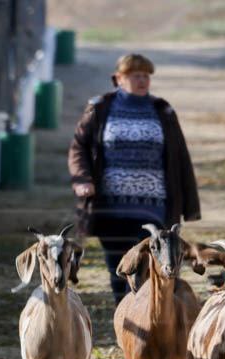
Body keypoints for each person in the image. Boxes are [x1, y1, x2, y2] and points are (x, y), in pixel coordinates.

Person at [68, 53, 201, 304]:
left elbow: (179, 157)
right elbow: (79, 147)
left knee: (149, 267)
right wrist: (82, 179)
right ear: (119, 78)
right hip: (110, 208)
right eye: (134, 76)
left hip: (153, 209)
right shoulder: (101, 108)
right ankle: (126, 321)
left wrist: (188, 204)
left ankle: (150, 323)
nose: (142, 81)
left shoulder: (162, 110)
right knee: (119, 269)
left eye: (146, 76)